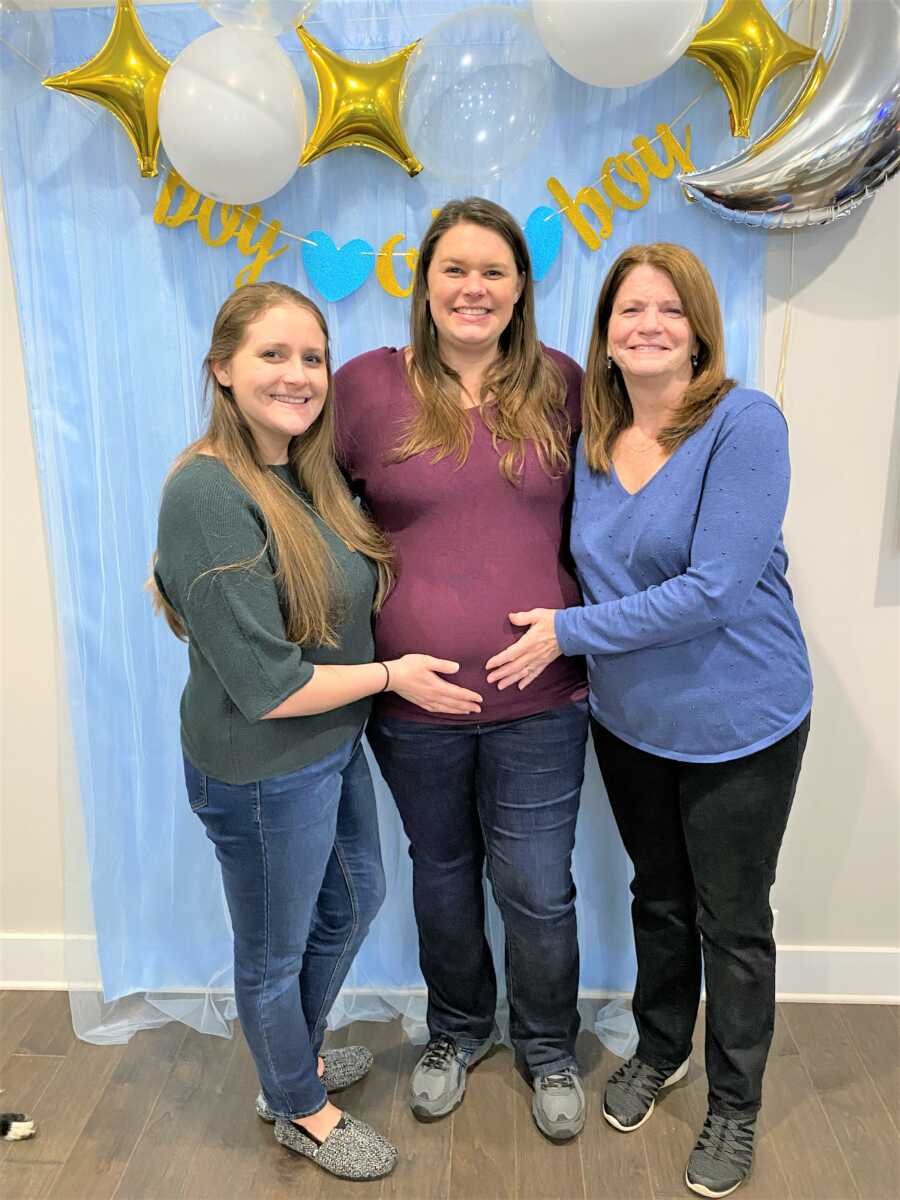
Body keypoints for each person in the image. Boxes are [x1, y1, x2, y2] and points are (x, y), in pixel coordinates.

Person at [484, 243, 812, 1196]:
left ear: (700, 327)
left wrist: (565, 634)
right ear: (607, 334)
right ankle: (660, 1046)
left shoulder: (743, 423)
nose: (649, 325)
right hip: (630, 722)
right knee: (658, 899)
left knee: (734, 921)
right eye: (630, 310)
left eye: (670, 309)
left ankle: (734, 1109)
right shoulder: (592, 439)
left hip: (742, 718)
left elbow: (714, 590)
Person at [150, 282, 483, 1182]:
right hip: (261, 767)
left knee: (356, 898)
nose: (298, 375)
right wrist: (391, 676)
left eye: (312, 358)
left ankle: (286, 1055)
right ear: (221, 369)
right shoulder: (208, 493)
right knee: (273, 950)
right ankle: (298, 1104)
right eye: (272, 355)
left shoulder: (306, 474)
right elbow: (264, 687)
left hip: (330, 747)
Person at [333, 199, 590, 1141]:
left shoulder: (564, 385)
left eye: (494, 271)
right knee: (441, 872)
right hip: (413, 700)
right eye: (455, 269)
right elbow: (316, 519)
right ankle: (455, 1029)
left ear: (522, 287)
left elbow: (608, 524)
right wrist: (382, 667)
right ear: (425, 283)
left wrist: (580, 627)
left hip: (543, 697)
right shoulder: (364, 387)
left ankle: (550, 1045)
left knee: (536, 882)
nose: (473, 287)